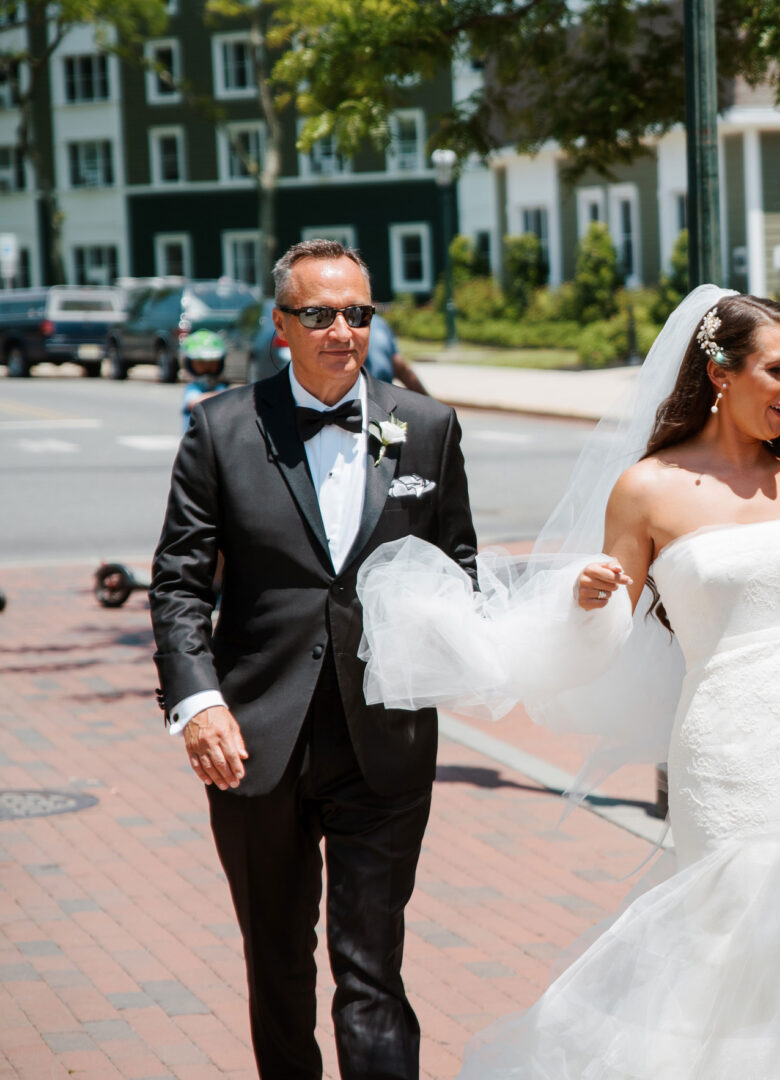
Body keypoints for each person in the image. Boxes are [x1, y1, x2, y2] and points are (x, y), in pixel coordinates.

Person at [355, 285, 780, 1077]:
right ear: (721, 374)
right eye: (779, 370)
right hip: (725, 743)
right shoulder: (647, 487)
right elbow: (604, 630)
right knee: (731, 934)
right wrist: (585, 597)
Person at [149, 239, 479, 1079]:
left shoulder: (428, 429)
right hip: (256, 742)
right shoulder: (221, 428)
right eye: (320, 314)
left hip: (385, 741)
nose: (342, 330)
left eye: (358, 314)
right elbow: (180, 585)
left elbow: (459, 572)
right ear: (280, 326)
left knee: (371, 972)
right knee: (279, 967)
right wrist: (198, 703)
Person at [364, 311, 429, 394]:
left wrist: (428, 402)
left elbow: (399, 366)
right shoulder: (378, 323)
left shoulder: (379, 323)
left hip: (383, 394)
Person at [179, 328, 229, 431]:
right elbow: (193, 402)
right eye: (201, 364)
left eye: (212, 364)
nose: (207, 369)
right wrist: (221, 395)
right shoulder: (193, 388)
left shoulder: (221, 387)